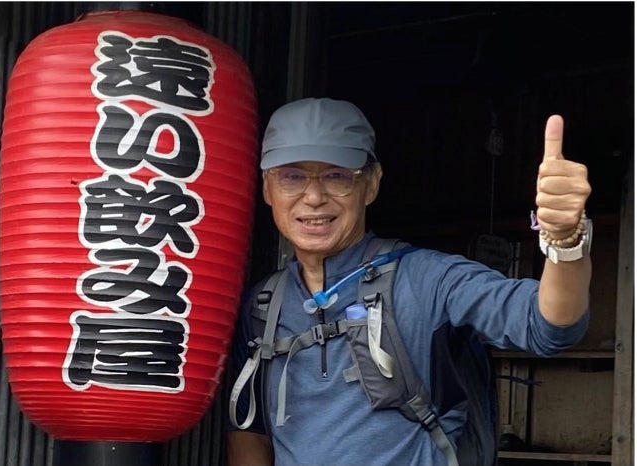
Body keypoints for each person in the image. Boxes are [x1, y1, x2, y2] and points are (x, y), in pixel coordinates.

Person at [226, 97, 592, 466]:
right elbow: (249, 431)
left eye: (337, 175)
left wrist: (565, 242)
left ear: (371, 184)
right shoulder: (263, 305)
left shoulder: (427, 279)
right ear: (267, 188)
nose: (314, 197)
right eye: (292, 177)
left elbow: (547, 326)